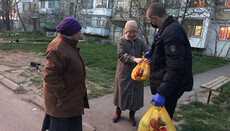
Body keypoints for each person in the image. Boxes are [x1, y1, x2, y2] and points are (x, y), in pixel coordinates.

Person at [145, 3, 193, 119]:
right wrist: (151, 54)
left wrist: (162, 92)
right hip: (167, 84)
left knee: (163, 120)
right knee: (160, 119)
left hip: (170, 88)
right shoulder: (166, 28)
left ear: (154, 18)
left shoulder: (172, 31)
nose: (150, 23)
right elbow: (164, 52)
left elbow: (175, 66)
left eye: (149, 20)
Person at [41, 17, 89, 131]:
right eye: (78, 31)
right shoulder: (58, 48)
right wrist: (63, 96)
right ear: (71, 32)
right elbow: (50, 76)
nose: (80, 33)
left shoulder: (69, 44)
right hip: (62, 102)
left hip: (71, 99)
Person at [113, 20, 150, 126]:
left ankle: (132, 116)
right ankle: (118, 113)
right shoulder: (121, 41)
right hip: (123, 73)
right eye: (130, 32)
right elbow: (121, 55)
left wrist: (149, 56)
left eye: (134, 32)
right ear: (126, 31)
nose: (132, 34)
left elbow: (148, 50)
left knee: (135, 96)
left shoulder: (140, 41)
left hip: (138, 74)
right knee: (122, 94)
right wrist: (134, 59)